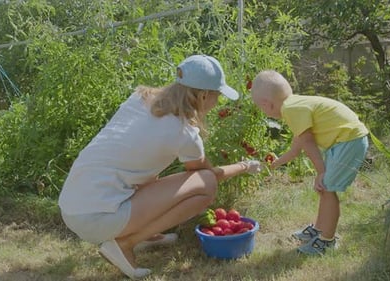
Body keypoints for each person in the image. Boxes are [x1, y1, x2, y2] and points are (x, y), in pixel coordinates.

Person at [58, 54, 261, 279]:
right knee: (207, 185)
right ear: (204, 95)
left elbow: (138, 163)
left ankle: (146, 234)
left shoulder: (139, 99)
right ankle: (125, 243)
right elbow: (206, 175)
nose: (217, 103)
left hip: (73, 207)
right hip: (98, 218)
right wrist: (245, 165)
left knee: (148, 173)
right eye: (217, 96)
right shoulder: (184, 133)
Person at [250, 70, 369, 255]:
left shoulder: (291, 109)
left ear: (267, 104)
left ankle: (327, 241)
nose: (262, 111)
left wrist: (320, 172)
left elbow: (308, 142)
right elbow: (296, 148)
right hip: (345, 140)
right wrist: (272, 165)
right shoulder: (294, 105)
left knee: (328, 188)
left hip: (349, 140)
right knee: (325, 188)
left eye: (261, 107)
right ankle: (319, 230)